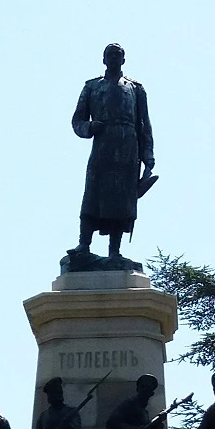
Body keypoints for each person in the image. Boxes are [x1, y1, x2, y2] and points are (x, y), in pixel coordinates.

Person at [70, 43, 156, 269]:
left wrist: (148, 157)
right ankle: (83, 245)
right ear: (103, 59)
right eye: (110, 54)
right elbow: (77, 121)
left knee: (122, 200)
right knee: (93, 194)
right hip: (102, 145)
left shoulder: (136, 89)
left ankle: (114, 251)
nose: (114, 57)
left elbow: (144, 124)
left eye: (118, 54)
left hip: (128, 148)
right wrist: (90, 127)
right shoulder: (92, 87)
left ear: (123, 60)